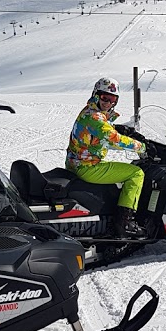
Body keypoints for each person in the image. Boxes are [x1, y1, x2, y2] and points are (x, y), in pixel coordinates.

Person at [65, 77, 147, 238]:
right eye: (105, 98)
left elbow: (103, 131)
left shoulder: (89, 111)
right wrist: (142, 147)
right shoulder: (95, 118)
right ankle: (125, 223)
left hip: (76, 164)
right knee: (136, 173)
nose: (108, 103)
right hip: (88, 167)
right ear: (96, 95)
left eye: (112, 99)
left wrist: (121, 128)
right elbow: (112, 139)